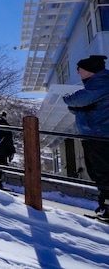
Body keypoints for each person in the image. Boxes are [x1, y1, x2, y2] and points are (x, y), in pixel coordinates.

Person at [63, 55, 109, 220]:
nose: (77, 72)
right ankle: (105, 207)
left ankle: (107, 208)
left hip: (99, 135)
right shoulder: (98, 84)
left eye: (79, 69)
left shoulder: (100, 84)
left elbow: (73, 100)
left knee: (102, 172)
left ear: (89, 70)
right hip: (95, 135)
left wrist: (78, 106)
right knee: (98, 172)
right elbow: (78, 106)